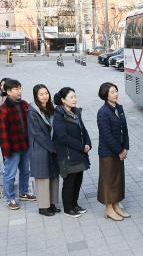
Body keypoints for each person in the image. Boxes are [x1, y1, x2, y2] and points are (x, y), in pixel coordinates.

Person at [0, 79, 37, 210]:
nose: (19, 91)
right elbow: (1, 133)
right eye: (15, 89)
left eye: (20, 88)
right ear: (8, 91)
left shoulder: (24, 104)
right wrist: (6, 151)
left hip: (25, 145)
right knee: (10, 174)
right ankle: (10, 198)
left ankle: (23, 192)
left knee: (26, 171)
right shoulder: (3, 110)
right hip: (12, 149)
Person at [52, 87, 91, 218]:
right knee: (70, 182)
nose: (74, 99)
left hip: (79, 152)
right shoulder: (58, 116)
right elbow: (63, 137)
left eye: (75, 96)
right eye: (71, 97)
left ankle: (75, 204)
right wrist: (81, 146)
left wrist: (88, 143)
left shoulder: (76, 112)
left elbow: (83, 130)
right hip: (68, 154)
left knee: (78, 180)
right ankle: (68, 208)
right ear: (63, 100)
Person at [96, 82, 130, 221]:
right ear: (105, 95)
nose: (115, 94)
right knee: (108, 180)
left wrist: (126, 147)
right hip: (108, 152)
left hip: (120, 150)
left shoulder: (119, 108)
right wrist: (119, 150)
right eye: (112, 92)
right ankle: (108, 208)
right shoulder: (102, 112)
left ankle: (116, 205)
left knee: (117, 179)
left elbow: (125, 129)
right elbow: (106, 135)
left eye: (116, 91)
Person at [27, 84, 61, 216]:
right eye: (41, 94)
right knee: (43, 178)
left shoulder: (51, 108)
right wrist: (53, 147)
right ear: (36, 96)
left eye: (46, 93)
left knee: (53, 176)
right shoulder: (32, 111)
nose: (44, 96)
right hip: (40, 149)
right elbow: (37, 133)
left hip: (52, 147)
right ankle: (43, 207)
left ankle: (51, 203)